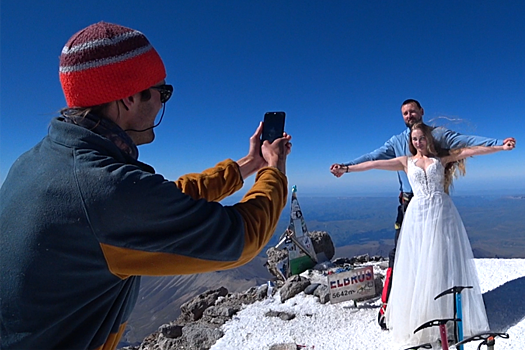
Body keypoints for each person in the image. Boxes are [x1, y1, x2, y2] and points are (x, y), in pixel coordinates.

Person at [0, 22, 291, 350]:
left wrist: (249, 164)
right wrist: (274, 169)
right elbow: (241, 237)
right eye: (162, 92)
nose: (164, 102)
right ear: (127, 98)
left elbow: (163, 197)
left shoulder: (41, 161)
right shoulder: (103, 188)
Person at [330, 99, 516, 329]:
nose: (409, 116)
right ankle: (399, 307)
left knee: (439, 256)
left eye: (412, 111)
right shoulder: (399, 145)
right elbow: (374, 159)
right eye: (405, 113)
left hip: (439, 208)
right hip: (411, 207)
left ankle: (446, 307)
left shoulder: (440, 137)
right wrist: (346, 167)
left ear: (421, 112)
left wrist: (499, 144)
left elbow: (468, 145)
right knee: (403, 255)